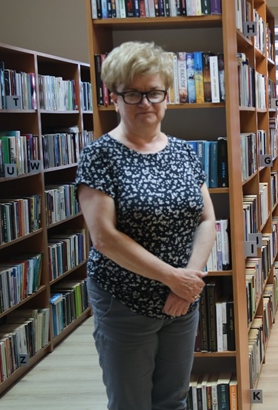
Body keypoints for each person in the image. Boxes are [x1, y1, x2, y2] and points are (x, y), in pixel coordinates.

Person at [75, 41, 216, 410]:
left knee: (173, 399)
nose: (145, 103)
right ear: (114, 98)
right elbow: (104, 238)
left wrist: (188, 281)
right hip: (124, 301)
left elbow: (207, 219)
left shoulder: (184, 152)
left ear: (167, 96)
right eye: (133, 94)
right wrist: (173, 278)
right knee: (131, 403)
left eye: (153, 92)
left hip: (182, 300)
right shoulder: (99, 155)